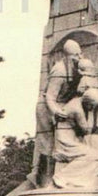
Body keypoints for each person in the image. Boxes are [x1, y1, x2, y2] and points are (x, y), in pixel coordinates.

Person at [29, 39, 83, 187]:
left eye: (79, 55)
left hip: (61, 104)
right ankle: (42, 179)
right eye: (74, 57)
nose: (78, 59)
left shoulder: (78, 68)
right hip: (46, 108)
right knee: (47, 143)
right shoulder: (59, 70)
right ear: (67, 56)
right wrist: (56, 112)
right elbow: (50, 97)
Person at [51, 59, 98, 190]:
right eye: (92, 106)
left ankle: (76, 179)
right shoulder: (77, 109)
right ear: (88, 103)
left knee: (96, 154)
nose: (91, 108)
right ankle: (63, 177)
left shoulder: (76, 102)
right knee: (95, 156)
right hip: (65, 143)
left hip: (69, 139)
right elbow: (87, 130)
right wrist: (93, 113)